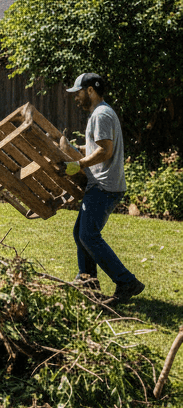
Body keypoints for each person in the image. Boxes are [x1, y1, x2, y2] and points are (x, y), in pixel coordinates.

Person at [59, 72, 144, 305]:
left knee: (88, 235)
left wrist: (79, 164)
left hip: (104, 186)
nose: (76, 98)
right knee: (80, 234)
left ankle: (126, 281)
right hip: (103, 184)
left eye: (78, 92)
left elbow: (105, 150)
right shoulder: (101, 113)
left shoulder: (101, 114)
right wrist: (76, 148)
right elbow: (97, 146)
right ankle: (87, 280)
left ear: (90, 90)